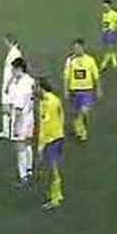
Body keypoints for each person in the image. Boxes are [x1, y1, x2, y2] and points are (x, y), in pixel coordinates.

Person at [64, 39, 102, 142]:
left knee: (84, 111)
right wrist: (66, 90)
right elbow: (67, 77)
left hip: (87, 90)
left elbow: (96, 76)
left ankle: (81, 129)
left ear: (83, 48)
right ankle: (80, 131)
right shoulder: (70, 60)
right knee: (76, 112)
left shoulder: (90, 60)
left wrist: (98, 89)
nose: (77, 50)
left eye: (78, 48)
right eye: (75, 48)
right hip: (74, 90)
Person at [37, 79, 65, 211]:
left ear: (41, 88)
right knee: (54, 167)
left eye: (35, 87)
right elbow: (61, 117)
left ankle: (55, 199)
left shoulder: (48, 103)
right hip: (58, 136)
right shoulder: (53, 99)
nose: (34, 90)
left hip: (51, 140)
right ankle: (58, 194)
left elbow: (46, 125)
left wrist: (41, 144)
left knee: (52, 169)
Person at [9, 57, 35, 187]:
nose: (12, 72)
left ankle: (23, 175)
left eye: (13, 69)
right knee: (28, 143)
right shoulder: (29, 80)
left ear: (19, 69)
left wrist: (15, 125)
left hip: (21, 118)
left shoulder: (22, 84)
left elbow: (18, 107)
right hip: (29, 116)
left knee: (19, 147)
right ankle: (29, 169)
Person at [0, 33, 23, 139]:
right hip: (9, 83)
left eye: (5, 41)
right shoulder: (12, 52)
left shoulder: (15, 53)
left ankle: (12, 130)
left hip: (11, 85)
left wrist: (8, 84)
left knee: (9, 106)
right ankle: (7, 130)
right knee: (6, 107)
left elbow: (16, 70)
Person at [100, 0, 117, 72]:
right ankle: (113, 59)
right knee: (108, 46)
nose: (105, 7)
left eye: (106, 6)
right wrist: (103, 29)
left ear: (109, 6)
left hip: (111, 33)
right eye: (104, 6)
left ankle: (108, 62)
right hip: (105, 32)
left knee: (110, 47)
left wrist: (114, 27)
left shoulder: (113, 13)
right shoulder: (104, 14)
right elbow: (104, 23)